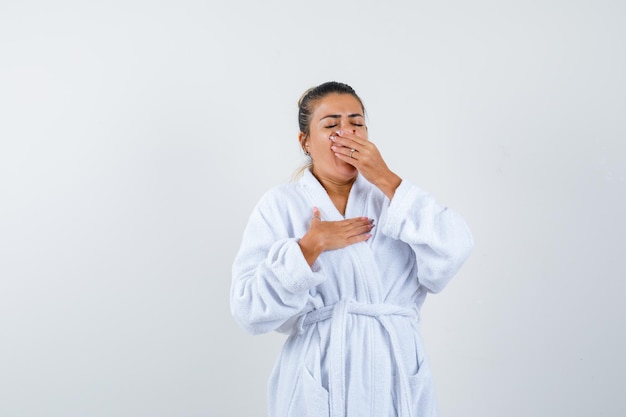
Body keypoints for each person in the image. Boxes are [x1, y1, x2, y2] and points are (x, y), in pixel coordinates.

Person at [231, 81, 473, 417]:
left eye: (356, 123)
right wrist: (308, 248)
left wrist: (387, 178)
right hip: (321, 371)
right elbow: (248, 310)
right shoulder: (280, 205)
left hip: (395, 368)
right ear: (305, 141)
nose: (346, 133)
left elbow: (456, 247)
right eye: (331, 125)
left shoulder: (395, 200)